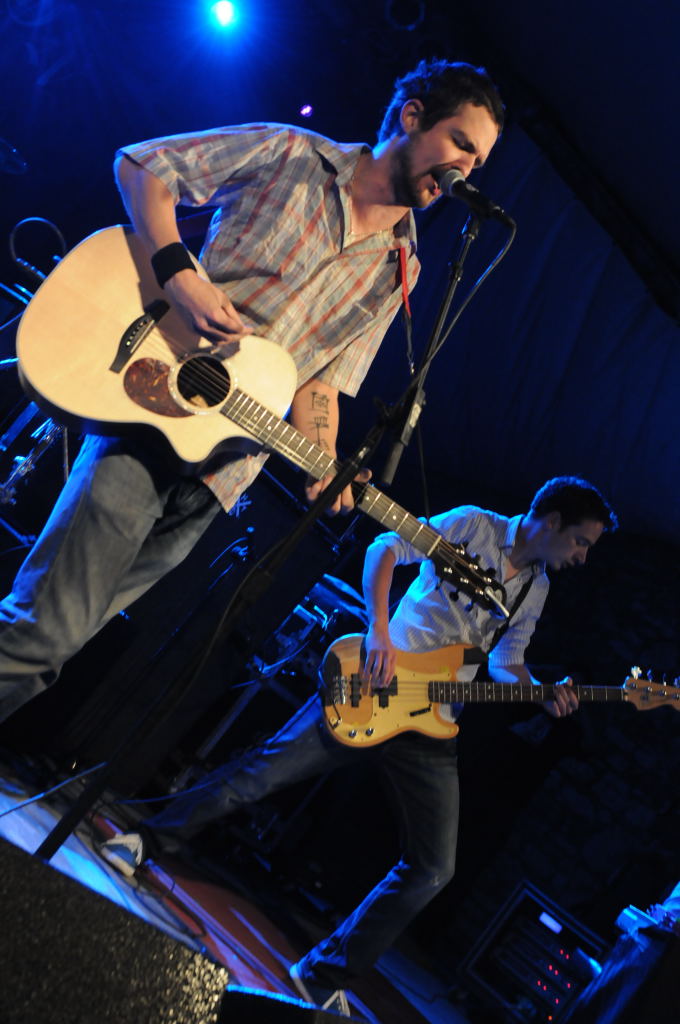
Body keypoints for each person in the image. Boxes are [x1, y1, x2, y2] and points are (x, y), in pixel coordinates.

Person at [0, 59, 505, 725]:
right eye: (461, 144)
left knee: (57, 645)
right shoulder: (292, 153)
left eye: (479, 161)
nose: (466, 170)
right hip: (151, 410)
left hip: (221, 477)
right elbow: (143, 166)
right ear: (412, 118)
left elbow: (323, 382)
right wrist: (180, 274)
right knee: (42, 634)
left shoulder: (400, 270)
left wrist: (323, 460)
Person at [99, 476, 618, 1017]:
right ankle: (147, 840)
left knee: (434, 868)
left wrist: (541, 693)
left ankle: (322, 973)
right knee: (260, 774)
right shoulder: (472, 524)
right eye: (581, 542)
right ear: (552, 522)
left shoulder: (536, 588)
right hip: (375, 685)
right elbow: (384, 548)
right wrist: (379, 631)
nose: (582, 556)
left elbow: (506, 663)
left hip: (433, 725)